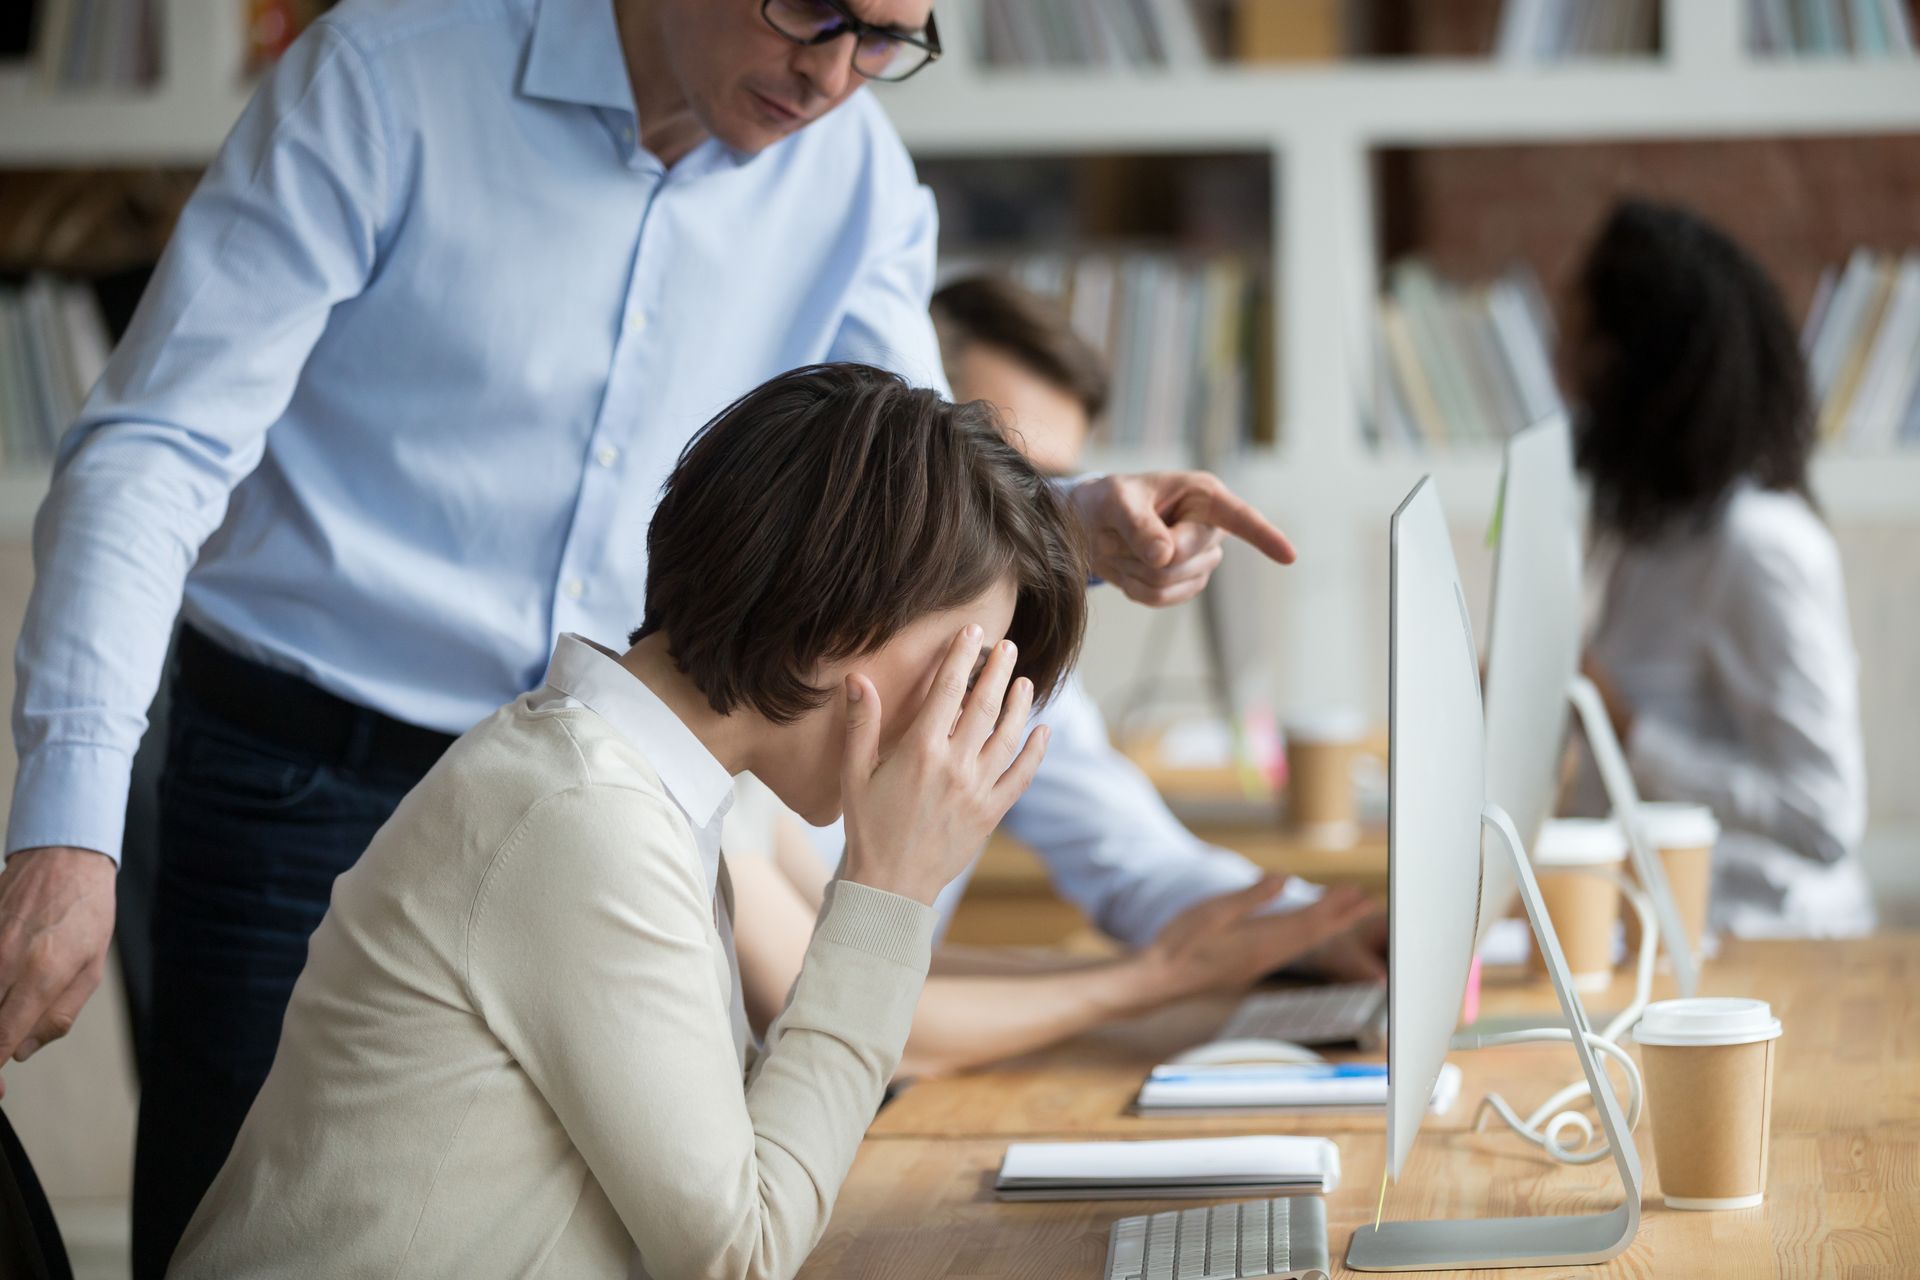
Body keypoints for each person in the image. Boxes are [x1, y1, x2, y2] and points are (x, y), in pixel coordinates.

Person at [0, 4, 1316, 1273]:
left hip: (632, 766)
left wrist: (1072, 524)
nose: (837, 73)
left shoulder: (851, 177)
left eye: (888, 37)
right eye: (813, 12)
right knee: (291, 1213)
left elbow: (903, 510)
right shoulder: (389, 75)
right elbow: (155, 453)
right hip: (308, 759)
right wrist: (67, 827)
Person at [166, 363, 1085, 1278]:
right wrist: (891, 890)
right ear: (835, 610)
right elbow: (744, 1251)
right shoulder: (585, 815)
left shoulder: (638, 786)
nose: (951, 724)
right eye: (954, 673)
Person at [727, 276, 1383, 1078]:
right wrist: (1152, 982)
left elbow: (885, 973)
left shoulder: (1001, 677)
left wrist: (1297, 930)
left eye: (1046, 486)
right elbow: (832, 1008)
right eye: (1000, 472)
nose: (1026, 523)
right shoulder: (764, 719)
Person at [1565, 198, 1874, 939]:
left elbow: (1824, 818)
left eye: (1584, 342)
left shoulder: (1758, 545)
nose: (1564, 365)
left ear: (1639, 371)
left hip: (1773, 944)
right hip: (1660, 931)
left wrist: (1625, 724)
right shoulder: (1653, 536)